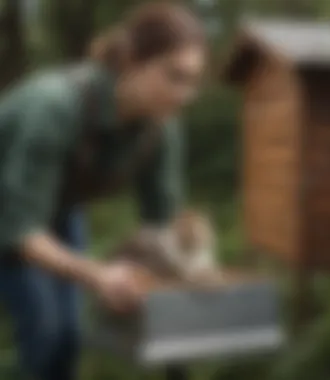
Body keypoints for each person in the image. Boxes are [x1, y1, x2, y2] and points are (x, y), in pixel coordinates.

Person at [0, 2, 206, 379]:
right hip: (11, 210)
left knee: (71, 338)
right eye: (174, 77)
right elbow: (21, 230)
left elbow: (162, 229)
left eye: (193, 82)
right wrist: (99, 274)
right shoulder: (55, 105)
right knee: (45, 336)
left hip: (56, 210)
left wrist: (191, 262)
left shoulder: (161, 128)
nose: (184, 96)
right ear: (130, 61)